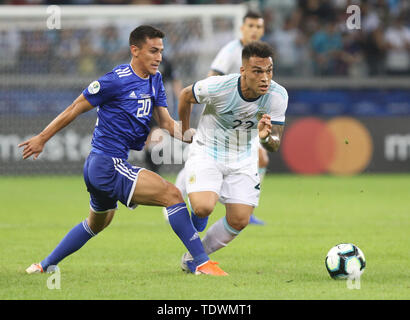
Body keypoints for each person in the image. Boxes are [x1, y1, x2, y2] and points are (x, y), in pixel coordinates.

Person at [19, 25, 227, 276]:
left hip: (103, 167)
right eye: (153, 51)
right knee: (172, 194)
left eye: (161, 51)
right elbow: (75, 107)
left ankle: (44, 265)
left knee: (96, 224)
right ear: (135, 50)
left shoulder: (156, 79)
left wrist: (190, 135)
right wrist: (42, 138)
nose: (159, 57)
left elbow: (165, 122)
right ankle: (202, 263)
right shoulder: (114, 81)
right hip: (106, 164)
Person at [177, 41, 288, 272]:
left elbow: (275, 144)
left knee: (239, 220)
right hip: (207, 150)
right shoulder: (219, 87)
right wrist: (186, 130)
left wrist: (266, 138)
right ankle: (198, 215)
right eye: (257, 71)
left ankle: (193, 258)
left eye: (269, 71)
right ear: (243, 71)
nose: (265, 78)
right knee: (203, 208)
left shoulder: (278, 95)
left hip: (243, 157)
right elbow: (185, 95)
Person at [175, 10, 268, 226]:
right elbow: (211, 78)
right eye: (251, 26)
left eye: (258, 26)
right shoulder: (231, 50)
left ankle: (247, 205)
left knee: (261, 158)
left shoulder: (262, 56)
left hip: (246, 122)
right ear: (242, 28)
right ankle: (192, 190)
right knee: (208, 160)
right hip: (223, 119)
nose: (254, 30)